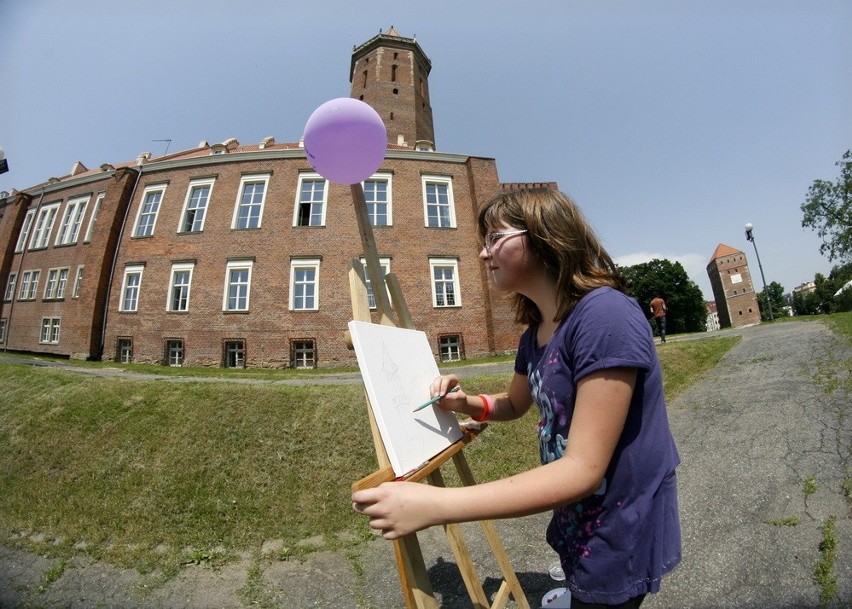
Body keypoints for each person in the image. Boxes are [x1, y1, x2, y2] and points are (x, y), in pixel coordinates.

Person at [352, 187, 681, 608]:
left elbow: (582, 468)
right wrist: (465, 403)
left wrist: (437, 504)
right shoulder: (534, 335)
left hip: (619, 522)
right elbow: (514, 404)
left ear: (546, 235)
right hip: (578, 515)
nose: (483, 254)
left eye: (495, 238)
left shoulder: (605, 316)